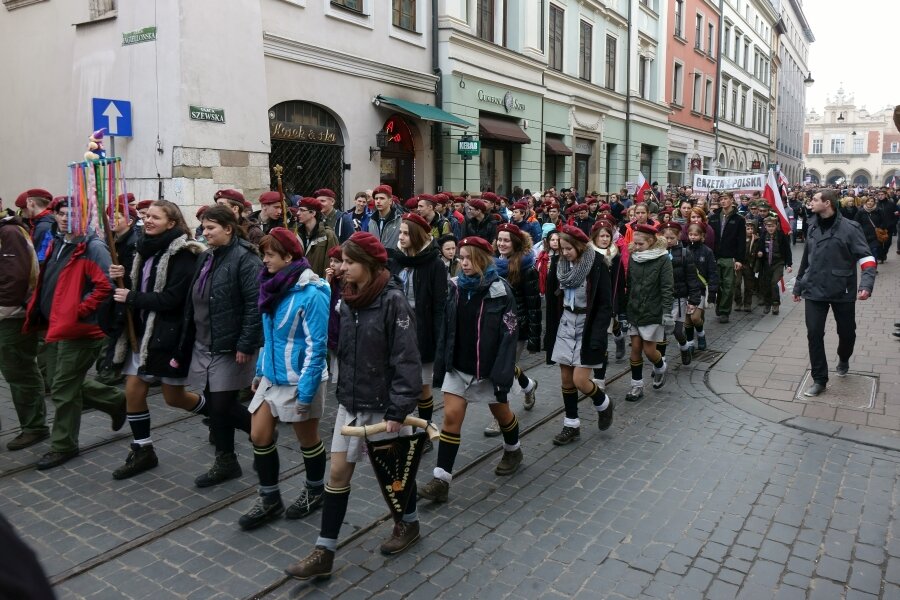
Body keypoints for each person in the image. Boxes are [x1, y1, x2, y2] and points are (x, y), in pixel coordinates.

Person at [284, 232, 421, 579]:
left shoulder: (394, 302)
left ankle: (409, 523)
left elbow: (406, 359)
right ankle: (324, 550)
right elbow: (342, 349)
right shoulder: (346, 299)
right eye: (342, 261)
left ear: (370, 265)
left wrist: (398, 409)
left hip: (384, 406)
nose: (341, 268)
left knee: (393, 476)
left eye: (349, 262)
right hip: (351, 402)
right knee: (337, 473)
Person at [104, 200, 208, 478]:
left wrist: (132, 297)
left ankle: (218, 413)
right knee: (133, 390)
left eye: (156, 217)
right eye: (146, 216)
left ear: (172, 223)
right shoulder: (142, 248)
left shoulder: (184, 254)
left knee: (174, 398)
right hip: (143, 334)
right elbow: (143, 284)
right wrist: (123, 276)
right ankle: (143, 448)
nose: (148, 220)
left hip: (168, 335)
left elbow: (173, 299)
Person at [237, 229, 330, 529]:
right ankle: (269, 498)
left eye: (269, 255)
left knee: (307, 439)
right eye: (264, 254)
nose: (264, 261)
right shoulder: (270, 286)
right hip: (273, 376)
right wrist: (261, 370)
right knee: (259, 434)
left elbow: (317, 346)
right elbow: (269, 336)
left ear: (288, 258)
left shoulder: (312, 293)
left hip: (301, 378)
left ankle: (315, 490)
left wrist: (305, 392)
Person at [23, 201, 127, 469]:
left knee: (63, 389)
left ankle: (63, 445)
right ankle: (115, 400)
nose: (66, 218)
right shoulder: (56, 241)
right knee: (59, 381)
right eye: (62, 213)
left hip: (80, 330)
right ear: (55, 215)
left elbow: (104, 287)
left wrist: (77, 310)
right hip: (54, 325)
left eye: (74, 214)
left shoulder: (92, 247)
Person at [420, 236, 523, 504]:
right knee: (451, 419)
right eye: (461, 258)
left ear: (482, 259)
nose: (463, 263)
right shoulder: (453, 287)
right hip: (459, 367)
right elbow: (446, 327)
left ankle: (513, 450)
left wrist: (502, 371)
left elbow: (510, 333)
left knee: (502, 413)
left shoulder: (501, 291)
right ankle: (441, 480)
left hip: (488, 369)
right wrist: (442, 361)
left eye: (469, 258)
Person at [178, 204, 263, 487]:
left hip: (231, 345)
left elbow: (255, 304)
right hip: (205, 341)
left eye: (210, 227)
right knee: (215, 403)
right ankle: (230, 456)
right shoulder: (207, 257)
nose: (205, 232)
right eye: (203, 227)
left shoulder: (245, 259)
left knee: (221, 405)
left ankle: (254, 436)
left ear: (228, 228)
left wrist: (246, 341)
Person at [793, 189, 876, 397]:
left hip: (842, 289)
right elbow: (806, 259)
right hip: (813, 288)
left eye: (815, 200)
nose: (811, 202)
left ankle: (844, 357)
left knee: (847, 333)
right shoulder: (812, 225)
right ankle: (819, 379)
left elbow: (866, 259)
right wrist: (798, 285)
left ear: (827, 203)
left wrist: (866, 285)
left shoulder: (850, 228)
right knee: (814, 333)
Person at [545, 225, 614, 445]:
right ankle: (571, 424)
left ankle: (603, 403)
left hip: (588, 323)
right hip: (566, 321)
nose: (563, 252)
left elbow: (605, 305)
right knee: (566, 379)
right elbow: (550, 299)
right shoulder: (558, 265)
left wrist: (598, 336)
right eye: (561, 248)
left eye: (568, 248)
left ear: (579, 246)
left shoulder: (597, 265)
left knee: (580, 380)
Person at [387, 213, 448, 453]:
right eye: (399, 232)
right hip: (396, 330)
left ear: (416, 235)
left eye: (405, 233)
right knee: (398, 382)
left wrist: (438, 340)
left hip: (421, 333)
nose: (400, 237)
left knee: (422, 387)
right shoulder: (396, 259)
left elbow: (439, 307)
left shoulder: (435, 264)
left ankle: (425, 430)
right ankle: (404, 431)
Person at [484, 223, 541, 437]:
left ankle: (500, 417)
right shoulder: (490, 264)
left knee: (502, 372)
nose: (502, 243)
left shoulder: (527, 268)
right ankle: (528, 387)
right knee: (505, 366)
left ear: (516, 243)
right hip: (493, 326)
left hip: (516, 327)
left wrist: (534, 337)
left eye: (506, 240)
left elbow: (533, 303)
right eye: (499, 239)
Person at [0, 199, 48, 451]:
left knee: (20, 372)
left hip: (11, 316)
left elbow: (15, 278)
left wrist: (3, 309)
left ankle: (34, 427)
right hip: (7, 314)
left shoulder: (8, 232)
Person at [622, 224, 673, 402]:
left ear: (651, 242)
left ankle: (660, 367)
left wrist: (667, 313)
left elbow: (667, 287)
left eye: (640, 244)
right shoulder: (634, 257)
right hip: (634, 310)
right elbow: (629, 284)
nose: (635, 247)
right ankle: (637, 385)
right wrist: (624, 310)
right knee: (635, 348)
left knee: (649, 350)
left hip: (653, 310)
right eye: (634, 243)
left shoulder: (663, 259)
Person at [658, 222, 702, 365]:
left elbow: (692, 278)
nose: (669, 240)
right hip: (662, 298)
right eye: (666, 237)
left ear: (678, 236)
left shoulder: (685, 253)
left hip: (679, 298)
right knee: (662, 332)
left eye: (672, 237)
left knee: (677, 331)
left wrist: (694, 300)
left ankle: (684, 347)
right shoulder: (658, 253)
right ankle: (661, 361)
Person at [591, 220, 627, 362]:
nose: (605, 239)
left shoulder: (615, 255)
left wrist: (621, 304)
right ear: (595, 237)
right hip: (594, 297)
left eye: (607, 236)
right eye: (602, 236)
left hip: (610, 297)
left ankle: (602, 366)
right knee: (602, 328)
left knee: (608, 327)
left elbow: (620, 280)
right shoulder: (589, 254)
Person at [708, 192, 746, 323]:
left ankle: (724, 311)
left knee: (729, 285)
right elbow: (709, 238)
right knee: (717, 284)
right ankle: (720, 306)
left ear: (731, 200)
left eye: (725, 199)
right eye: (721, 199)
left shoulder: (739, 219)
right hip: (715, 256)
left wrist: (739, 259)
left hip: (730, 257)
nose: (723, 201)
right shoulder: (713, 217)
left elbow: (741, 241)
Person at [683, 223, 718, 352]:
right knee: (687, 318)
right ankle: (690, 342)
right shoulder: (685, 250)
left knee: (695, 317)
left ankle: (701, 334)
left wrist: (712, 294)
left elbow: (713, 273)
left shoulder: (707, 252)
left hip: (700, 289)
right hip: (686, 289)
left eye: (695, 235)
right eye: (690, 234)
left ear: (702, 236)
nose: (692, 237)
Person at [756, 215, 793, 315]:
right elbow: (759, 247)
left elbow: (787, 251)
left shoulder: (782, 236)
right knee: (766, 284)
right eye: (768, 226)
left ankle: (776, 304)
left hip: (778, 263)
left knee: (773, 282)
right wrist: (759, 252)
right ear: (765, 226)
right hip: (767, 264)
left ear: (776, 226)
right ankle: (768, 304)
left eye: (772, 226)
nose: (770, 228)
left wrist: (789, 264)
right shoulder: (763, 235)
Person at [295, 197, 339, 278]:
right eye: (298, 210)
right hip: (300, 284)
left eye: (302, 210)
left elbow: (332, 264)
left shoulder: (328, 235)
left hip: (319, 285)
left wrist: (325, 284)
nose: (298, 213)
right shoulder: (297, 234)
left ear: (313, 213)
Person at [733, 220, 760, 312]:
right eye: (748, 228)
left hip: (749, 265)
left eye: (752, 228)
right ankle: (738, 302)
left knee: (749, 286)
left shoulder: (756, 240)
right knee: (737, 283)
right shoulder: (739, 238)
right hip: (739, 264)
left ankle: (747, 304)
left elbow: (759, 252)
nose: (750, 230)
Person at [368, 184, 403, 248]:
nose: (378, 201)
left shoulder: (400, 220)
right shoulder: (371, 220)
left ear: (390, 201)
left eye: (382, 198)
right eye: (376, 199)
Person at [855, 196, 887, 263]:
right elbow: (856, 222)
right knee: (866, 253)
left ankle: (873, 267)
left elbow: (884, 222)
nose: (870, 203)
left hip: (875, 235)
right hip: (864, 236)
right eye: (868, 201)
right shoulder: (861, 211)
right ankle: (867, 267)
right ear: (866, 202)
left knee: (874, 251)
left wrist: (880, 228)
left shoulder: (879, 210)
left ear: (874, 203)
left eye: (872, 201)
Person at [535, 227, 559, 296]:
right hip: (547, 285)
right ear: (548, 241)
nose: (555, 242)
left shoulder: (563, 255)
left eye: (557, 240)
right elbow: (539, 270)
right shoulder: (543, 255)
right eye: (552, 240)